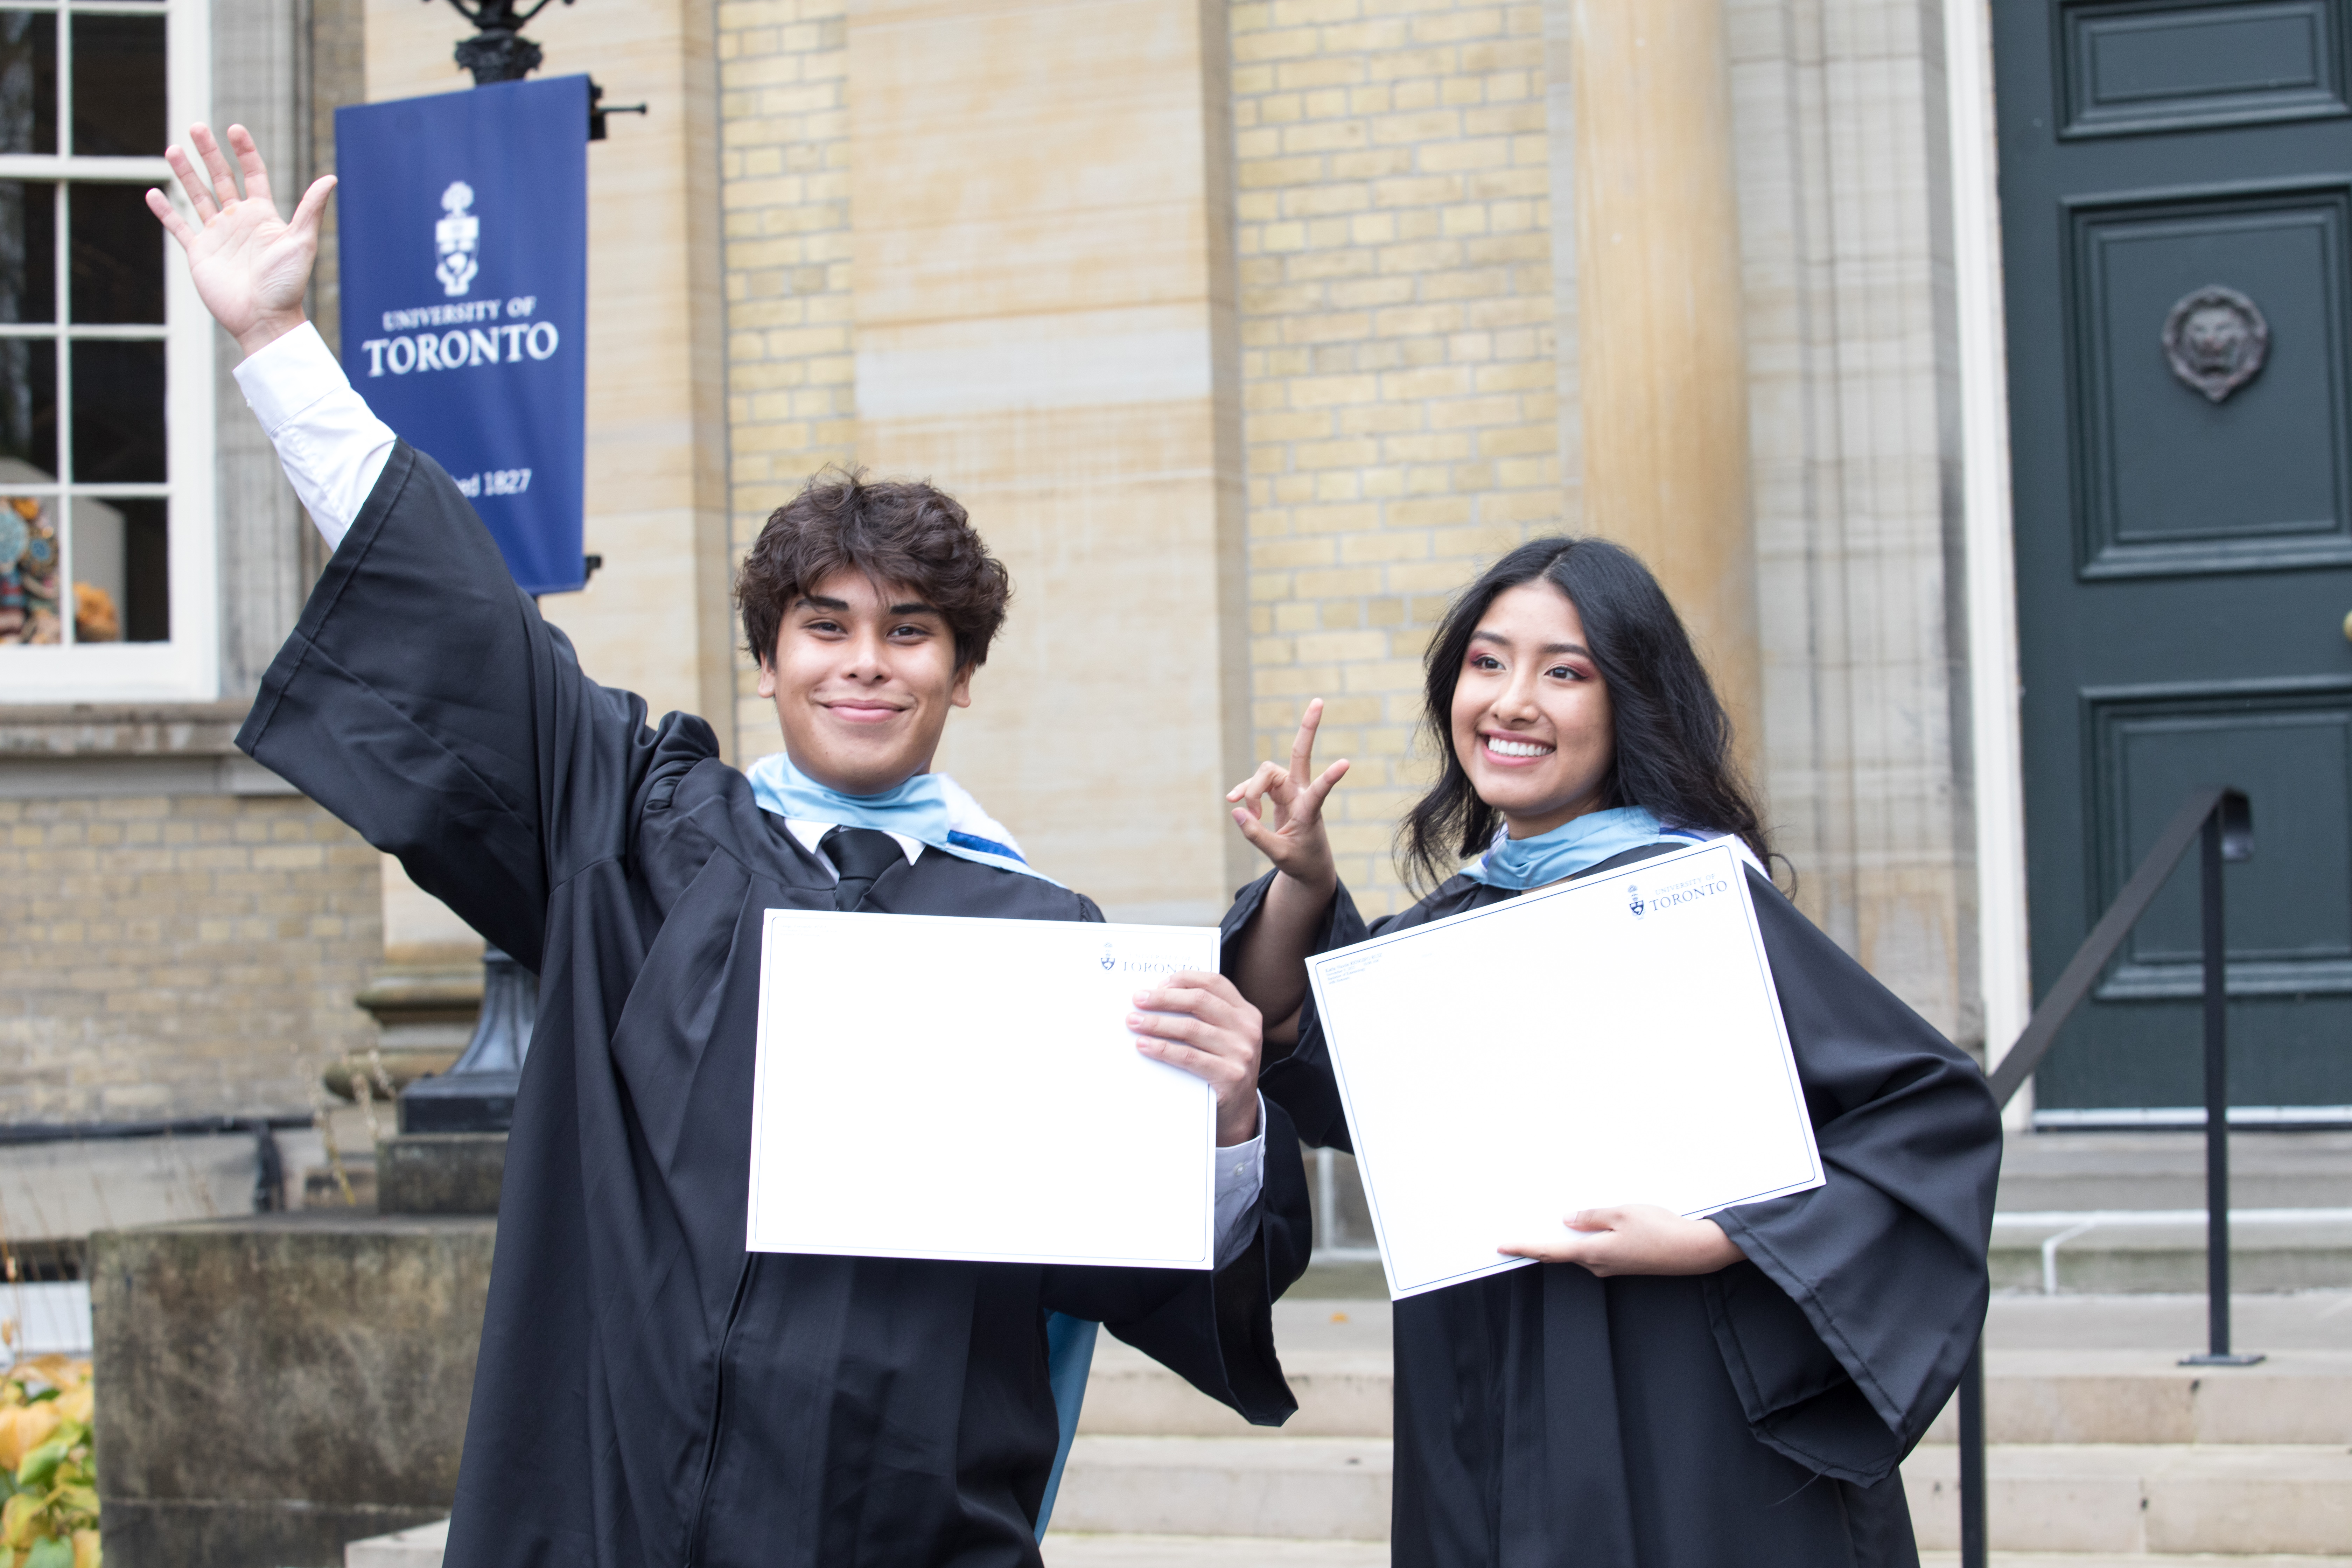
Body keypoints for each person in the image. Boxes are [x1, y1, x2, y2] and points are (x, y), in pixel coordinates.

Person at [147, 125, 1309, 1567]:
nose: (863, 665)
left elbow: (1132, 1264)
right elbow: (461, 614)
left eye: (910, 632)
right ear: (766, 659)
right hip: (619, 1506)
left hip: (907, 1529)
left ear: (963, 671)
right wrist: (274, 340)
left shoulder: (1047, 943)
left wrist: (1226, 1122)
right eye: (823, 626)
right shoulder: (642, 830)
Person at [1220, 537, 2002, 1567]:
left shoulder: (1694, 908)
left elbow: (1927, 1113)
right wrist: (1306, 888)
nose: (1512, 700)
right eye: (1487, 663)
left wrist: (1719, 1236)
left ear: (1631, 699)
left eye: (1566, 671)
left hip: (1686, 1397)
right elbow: (1319, 1077)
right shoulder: (1448, 933)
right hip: (1489, 1386)